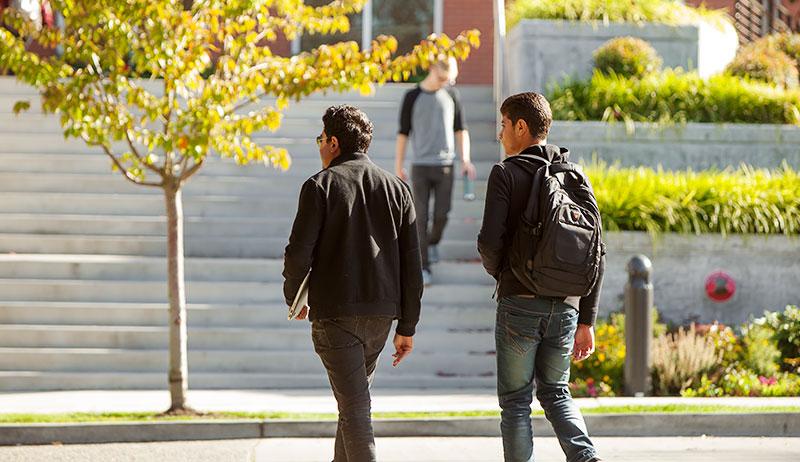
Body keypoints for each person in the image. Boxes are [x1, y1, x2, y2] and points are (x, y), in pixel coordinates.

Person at [283, 105, 423, 462]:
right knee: (352, 407)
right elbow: (412, 265)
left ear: (333, 142)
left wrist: (294, 298)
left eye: (320, 139)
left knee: (356, 412)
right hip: (381, 317)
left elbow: (298, 253)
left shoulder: (319, 186)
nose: (319, 147)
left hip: (335, 317)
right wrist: (407, 325)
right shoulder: (398, 190)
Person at [477, 92, 604, 462]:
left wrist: (503, 273)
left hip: (520, 304)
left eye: (503, 125)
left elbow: (489, 242)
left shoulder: (506, 172)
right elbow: (598, 252)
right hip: (565, 308)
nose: (500, 134)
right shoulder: (575, 176)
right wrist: (587, 319)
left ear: (521, 126)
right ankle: (586, 457)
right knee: (557, 392)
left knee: (516, 402)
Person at [395, 56, 476, 285]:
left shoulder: (451, 95)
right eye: (441, 78)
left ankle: (431, 244)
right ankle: (424, 267)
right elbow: (403, 133)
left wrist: (466, 159)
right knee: (420, 218)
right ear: (431, 69)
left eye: (448, 79)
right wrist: (398, 164)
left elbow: (461, 130)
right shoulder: (412, 97)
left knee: (442, 215)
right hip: (420, 166)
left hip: (446, 166)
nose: (444, 82)